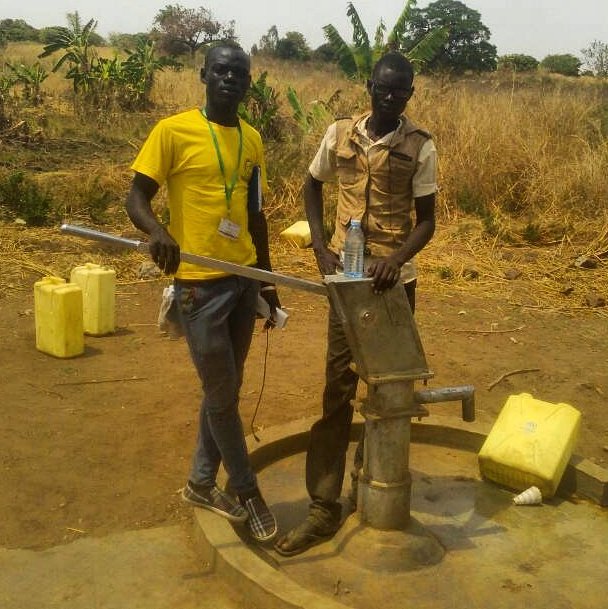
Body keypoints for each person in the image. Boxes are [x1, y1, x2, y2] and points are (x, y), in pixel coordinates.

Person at [274, 51, 437, 556]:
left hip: (393, 285)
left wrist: (397, 259)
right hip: (345, 283)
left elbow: (427, 220)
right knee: (338, 387)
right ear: (369, 85)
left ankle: (369, 479)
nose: (391, 97)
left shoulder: (420, 146)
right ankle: (324, 506)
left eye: (401, 91)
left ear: (410, 93)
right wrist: (320, 247)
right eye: (383, 88)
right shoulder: (339, 133)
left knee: (387, 389)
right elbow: (311, 185)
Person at [126, 43, 280, 544]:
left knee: (223, 393)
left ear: (248, 82)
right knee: (221, 394)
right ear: (203, 75)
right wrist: (157, 233)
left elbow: (255, 216)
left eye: (239, 72)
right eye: (221, 70)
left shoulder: (253, 140)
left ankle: (198, 482)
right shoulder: (172, 132)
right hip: (197, 285)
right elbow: (136, 198)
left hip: (241, 281)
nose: (230, 78)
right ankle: (247, 490)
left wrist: (268, 282)